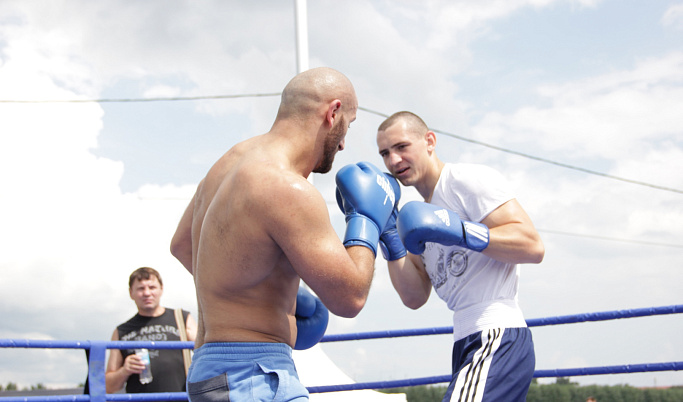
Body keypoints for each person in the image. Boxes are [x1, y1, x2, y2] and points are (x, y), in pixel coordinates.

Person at [170, 67, 395, 401]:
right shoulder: (287, 187)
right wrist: (366, 221)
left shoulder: (228, 162)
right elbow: (350, 298)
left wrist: (261, 286)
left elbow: (183, 245)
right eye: (348, 124)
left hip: (211, 372)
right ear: (332, 113)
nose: (345, 142)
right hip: (253, 376)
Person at [375, 111, 545, 402]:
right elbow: (414, 296)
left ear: (429, 141)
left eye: (402, 147)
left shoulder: (465, 181)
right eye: (385, 153)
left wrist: (462, 231)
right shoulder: (415, 218)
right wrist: (388, 234)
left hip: (496, 333)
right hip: (466, 341)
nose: (394, 161)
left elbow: (532, 245)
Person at [105, 267, 198, 395]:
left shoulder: (181, 318)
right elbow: (108, 387)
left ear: (161, 289)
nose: (147, 293)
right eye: (141, 288)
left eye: (152, 287)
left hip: (180, 397)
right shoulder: (121, 331)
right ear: (131, 293)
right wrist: (124, 370)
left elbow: (206, 353)